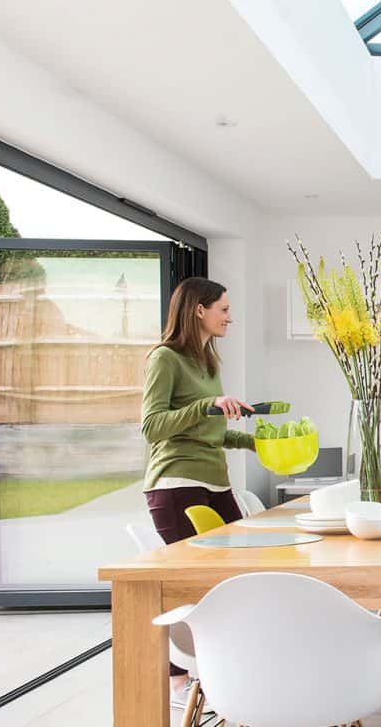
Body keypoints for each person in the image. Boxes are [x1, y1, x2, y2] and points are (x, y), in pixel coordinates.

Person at [139, 277, 256, 697]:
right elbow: (152, 426)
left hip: (214, 480)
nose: (230, 317)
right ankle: (179, 676)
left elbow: (209, 431)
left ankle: (234, 663)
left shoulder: (207, 361)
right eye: (223, 309)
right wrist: (204, 405)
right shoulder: (165, 359)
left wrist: (254, 441)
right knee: (197, 582)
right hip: (176, 485)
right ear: (199, 310)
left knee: (245, 568)